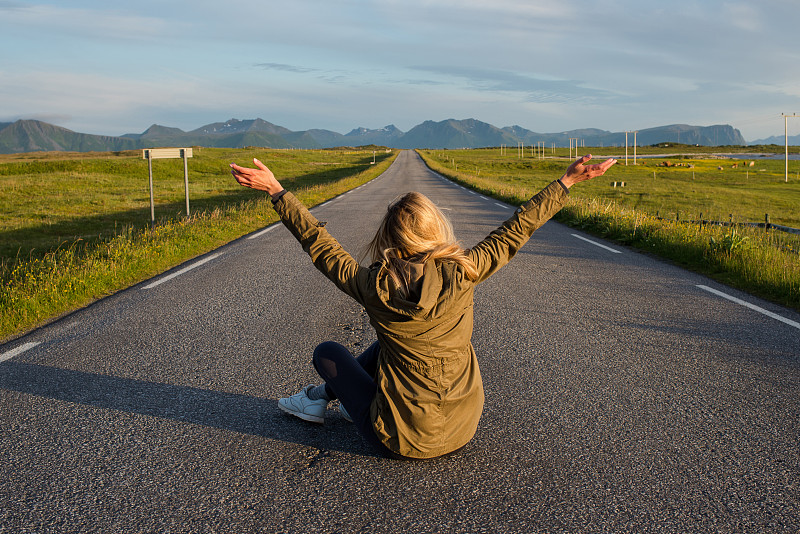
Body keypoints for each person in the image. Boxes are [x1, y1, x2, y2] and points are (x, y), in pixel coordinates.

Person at [230, 153, 616, 460]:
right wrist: (565, 182)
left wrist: (278, 192)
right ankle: (331, 400)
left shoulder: (373, 286)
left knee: (328, 352)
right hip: (463, 430)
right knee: (390, 346)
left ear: (390, 237)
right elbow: (516, 230)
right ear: (436, 229)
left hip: (399, 441)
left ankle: (320, 400)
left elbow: (320, 245)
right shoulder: (466, 271)